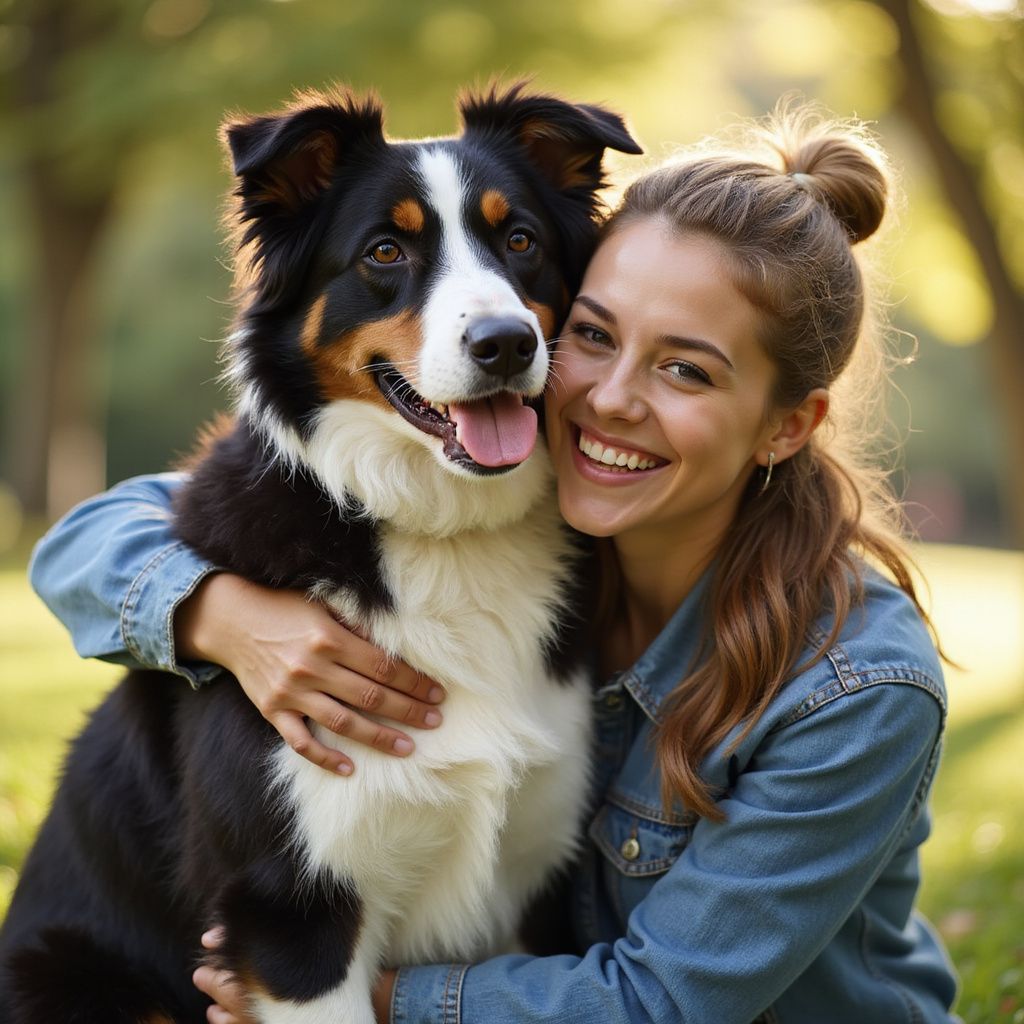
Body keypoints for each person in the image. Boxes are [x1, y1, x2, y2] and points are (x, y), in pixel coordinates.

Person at [29, 104, 961, 1024]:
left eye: (688, 370)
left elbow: (658, 1001)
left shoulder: (855, 686)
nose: (608, 396)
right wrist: (220, 617)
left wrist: (373, 1000)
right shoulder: (556, 513)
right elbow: (89, 540)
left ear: (787, 425)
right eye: (595, 335)